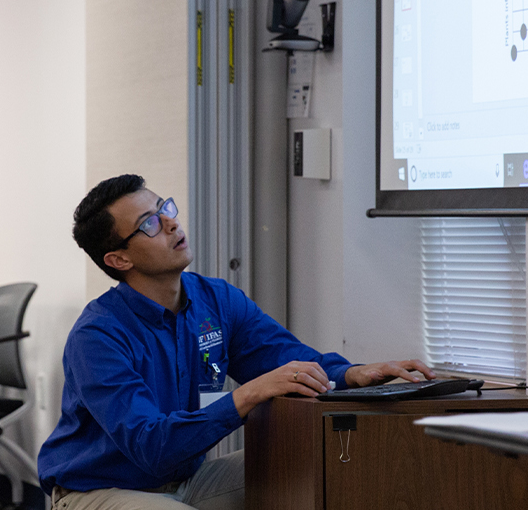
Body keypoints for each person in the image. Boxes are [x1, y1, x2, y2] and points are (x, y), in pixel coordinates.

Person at [39, 174, 434, 509]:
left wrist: (353, 373)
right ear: (119, 260)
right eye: (149, 225)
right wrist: (248, 396)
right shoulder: (98, 335)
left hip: (188, 481)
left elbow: (285, 358)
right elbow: (152, 447)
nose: (172, 224)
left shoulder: (217, 300)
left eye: (165, 209)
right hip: (99, 491)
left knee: (333, 466)